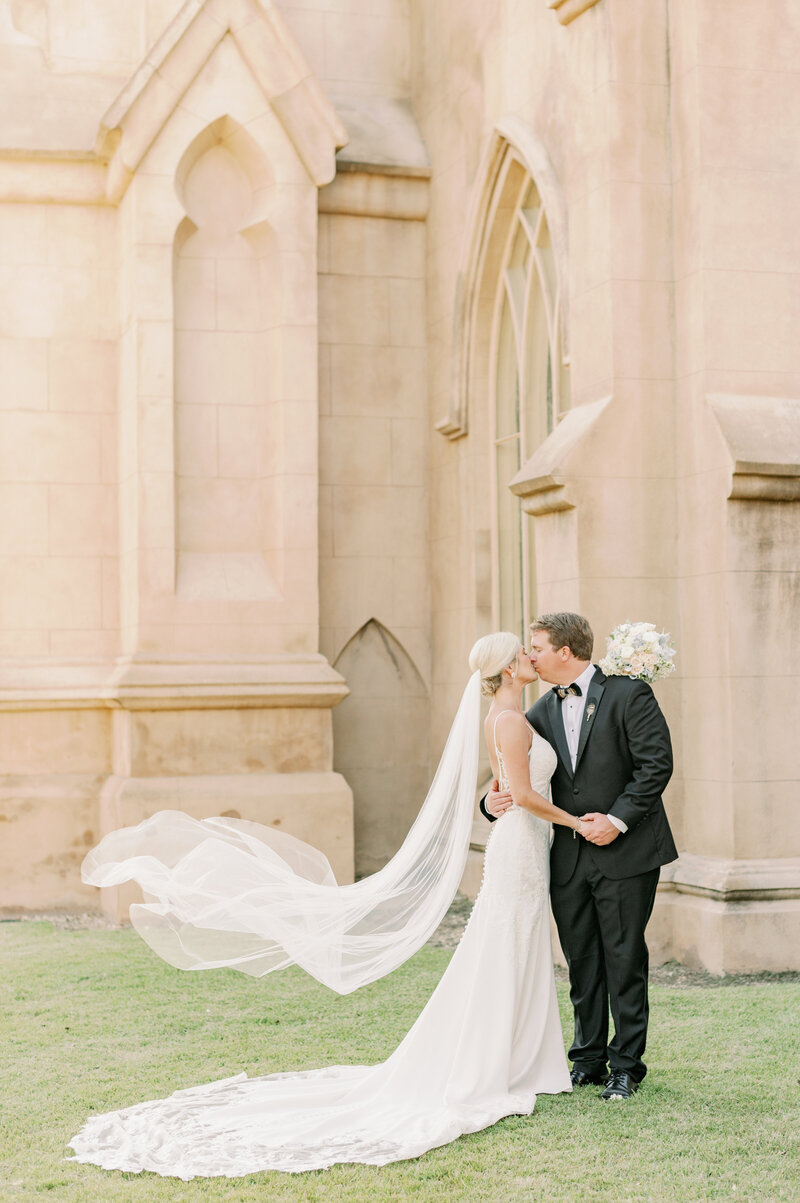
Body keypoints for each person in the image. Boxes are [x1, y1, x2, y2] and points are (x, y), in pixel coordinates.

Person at [70, 633, 580, 1179]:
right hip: (522, 847)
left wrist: (501, 800)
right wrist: (579, 823)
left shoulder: (500, 719)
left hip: (522, 846)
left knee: (512, 945)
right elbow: (520, 795)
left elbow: (503, 791)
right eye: (523, 653)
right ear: (506, 669)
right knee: (508, 945)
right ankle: (505, 1062)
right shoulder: (509, 721)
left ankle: (521, 1057)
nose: (531, 657)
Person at [482, 612, 677, 1100]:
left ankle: (626, 1066)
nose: (529, 656)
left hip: (627, 850)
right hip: (565, 857)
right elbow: (516, 777)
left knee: (624, 956)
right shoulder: (539, 712)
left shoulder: (630, 694)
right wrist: (490, 803)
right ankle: (586, 1059)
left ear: (564, 652)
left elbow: (656, 765)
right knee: (581, 960)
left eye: (537, 647)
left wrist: (616, 820)